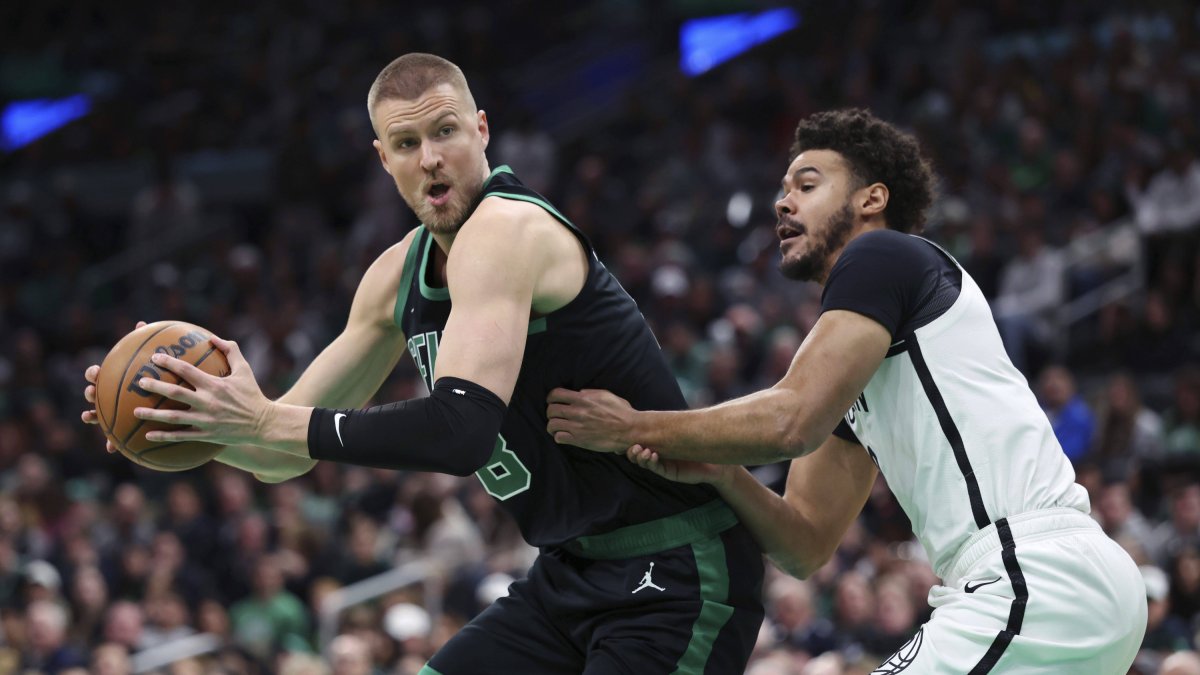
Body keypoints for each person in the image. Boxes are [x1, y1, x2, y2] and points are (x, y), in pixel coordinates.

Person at [81, 52, 763, 674]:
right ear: (384, 159)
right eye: (408, 144)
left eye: (445, 133)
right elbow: (282, 453)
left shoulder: (506, 229)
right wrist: (192, 421)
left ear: (482, 131)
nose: (430, 158)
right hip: (570, 571)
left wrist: (261, 419)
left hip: (672, 565)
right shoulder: (392, 279)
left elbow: (458, 428)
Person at [545, 109, 1148, 673]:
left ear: (872, 199)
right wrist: (724, 474)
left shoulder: (884, 255)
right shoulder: (858, 355)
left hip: (1031, 574)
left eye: (807, 185)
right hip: (1057, 585)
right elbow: (805, 544)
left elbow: (792, 420)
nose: (783, 201)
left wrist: (632, 427)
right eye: (783, 189)